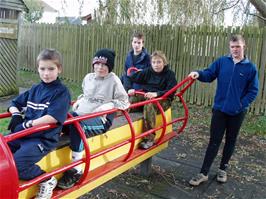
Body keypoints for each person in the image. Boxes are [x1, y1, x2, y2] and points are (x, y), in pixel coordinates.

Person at [188, 34, 259, 186]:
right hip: (219, 109)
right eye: (232, 47)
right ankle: (204, 173)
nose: (235, 49)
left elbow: (253, 90)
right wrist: (198, 73)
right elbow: (209, 74)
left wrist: (241, 104)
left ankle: (223, 169)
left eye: (238, 46)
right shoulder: (222, 62)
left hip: (237, 112)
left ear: (243, 46)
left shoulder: (250, 68)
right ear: (229, 47)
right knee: (214, 141)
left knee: (231, 140)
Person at [57, 48, 130, 190]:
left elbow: (125, 102)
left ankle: (76, 169)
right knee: (59, 119)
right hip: (80, 114)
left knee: (77, 124)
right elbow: (87, 94)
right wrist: (81, 99)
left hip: (100, 120)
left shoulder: (114, 80)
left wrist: (108, 105)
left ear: (109, 67)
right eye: (97, 64)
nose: (100, 67)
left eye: (104, 65)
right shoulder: (88, 77)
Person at [7, 49, 71, 199]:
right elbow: (14, 103)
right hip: (23, 136)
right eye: (42, 69)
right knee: (2, 152)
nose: (46, 73)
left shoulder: (61, 92)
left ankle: (47, 180)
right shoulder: (35, 89)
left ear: (59, 69)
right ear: (38, 68)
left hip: (42, 139)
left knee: (17, 166)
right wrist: (16, 114)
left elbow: (52, 117)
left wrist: (27, 124)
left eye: (51, 69)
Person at [123, 50, 177, 149]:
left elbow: (171, 91)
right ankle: (123, 129)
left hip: (163, 99)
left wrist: (156, 94)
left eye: (159, 62)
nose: (156, 65)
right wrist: (129, 88)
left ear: (164, 63)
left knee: (149, 105)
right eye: (154, 62)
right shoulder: (148, 71)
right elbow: (128, 77)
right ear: (151, 63)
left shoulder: (169, 74)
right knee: (132, 100)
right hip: (147, 95)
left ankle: (149, 138)